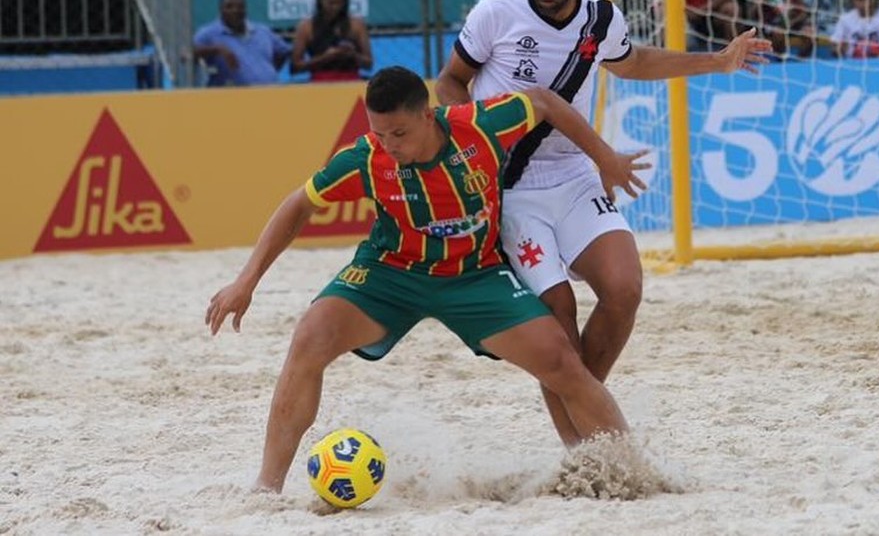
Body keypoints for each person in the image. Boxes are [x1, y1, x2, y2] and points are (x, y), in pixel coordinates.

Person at [205, 65, 649, 492]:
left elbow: (545, 101)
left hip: (475, 276)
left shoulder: (479, 125)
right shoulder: (367, 157)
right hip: (390, 274)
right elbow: (298, 203)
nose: (389, 144)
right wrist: (246, 281)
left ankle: (626, 470)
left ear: (427, 114)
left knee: (561, 360)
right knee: (309, 338)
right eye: (380, 133)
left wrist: (604, 158)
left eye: (399, 133)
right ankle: (267, 487)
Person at [436, 0, 772, 448]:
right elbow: (451, 80)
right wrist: (474, 138)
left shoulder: (601, 21)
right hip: (511, 187)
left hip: (573, 174)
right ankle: (585, 450)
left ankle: (585, 417)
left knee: (624, 289)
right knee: (559, 318)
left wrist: (717, 60)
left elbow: (632, 61)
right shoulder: (496, 14)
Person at [193, 0, 292, 87]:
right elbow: (187, 53)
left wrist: (269, 70)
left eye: (240, 7)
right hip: (234, 96)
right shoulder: (209, 33)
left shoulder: (262, 31)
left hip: (271, 92)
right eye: (229, 7)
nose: (235, 11)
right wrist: (217, 49)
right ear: (220, 9)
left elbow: (284, 51)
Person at [291, 0, 373, 82]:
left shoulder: (356, 25)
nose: (335, 7)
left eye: (339, 3)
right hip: (320, 82)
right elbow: (295, 67)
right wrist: (324, 58)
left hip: (351, 80)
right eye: (331, 3)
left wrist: (352, 55)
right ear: (320, 0)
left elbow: (368, 63)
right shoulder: (306, 27)